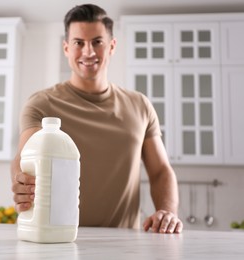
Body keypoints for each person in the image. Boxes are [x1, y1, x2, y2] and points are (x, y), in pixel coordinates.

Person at [11, 4, 183, 234]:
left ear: (111, 46)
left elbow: (161, 170)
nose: (88, 52)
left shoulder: (140, 106)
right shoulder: (41, 104)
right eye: (78, 43)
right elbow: (24, 161)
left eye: (97, 42)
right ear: (66, 48)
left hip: (124, 243)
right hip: (57, 240)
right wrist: (20, 182)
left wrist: (167, 210)